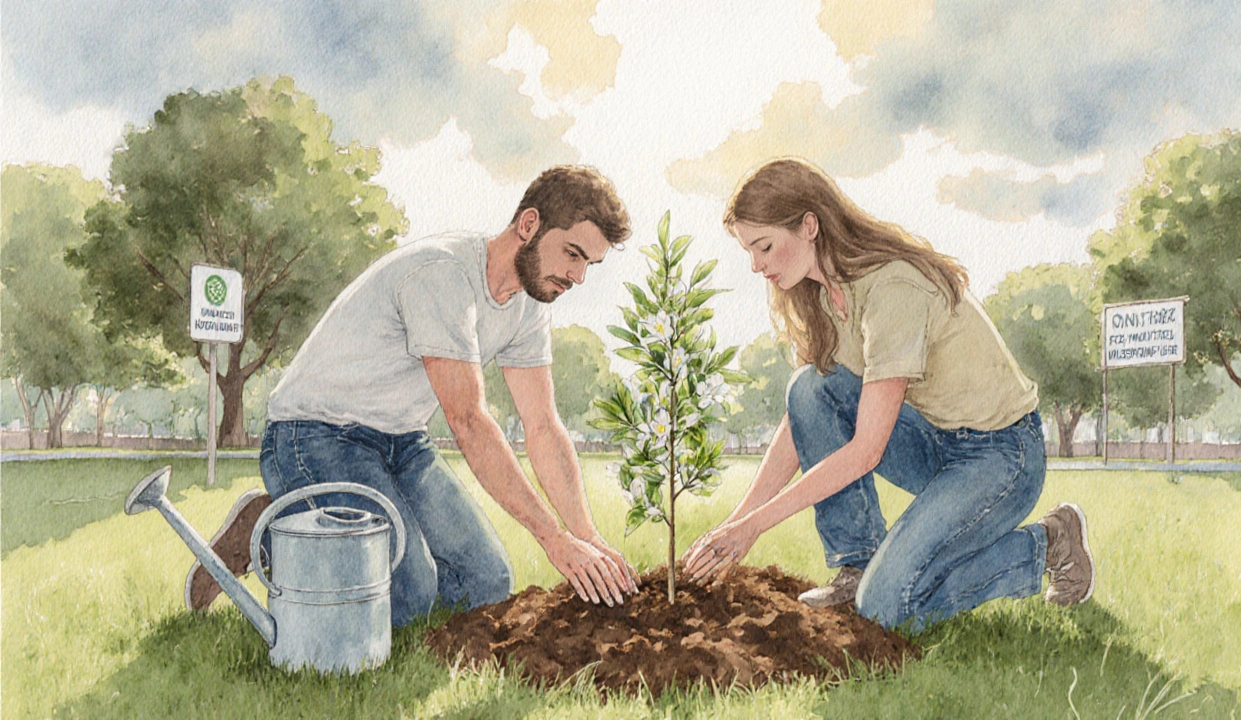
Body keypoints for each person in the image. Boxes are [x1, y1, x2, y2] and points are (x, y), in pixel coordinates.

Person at [187, 165, 639, 625]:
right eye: (573, 254)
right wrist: (554, 541)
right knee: (408, 594)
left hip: (401, 442)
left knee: (486, 582)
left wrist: (585, 535)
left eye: (589, 264)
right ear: (529, 225)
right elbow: (467, 421)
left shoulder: (529, 306)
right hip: (313, 435)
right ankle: (267, 533)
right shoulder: (442, 275)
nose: (578, 277)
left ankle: (328, 537)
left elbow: (542, 424)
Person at [682, 158, 1093, 632]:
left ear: (809, 226)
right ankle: (857, 563)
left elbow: (866, 449)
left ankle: (1047, 543)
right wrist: (737, 525)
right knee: (810, 387)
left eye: (765, 247)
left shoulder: (891, 287)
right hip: (935, 444)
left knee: (883, 608)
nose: (756, 266)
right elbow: (802, 420)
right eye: (749, 252)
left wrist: (755, 526)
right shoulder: (820, 296)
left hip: (1001, 457)